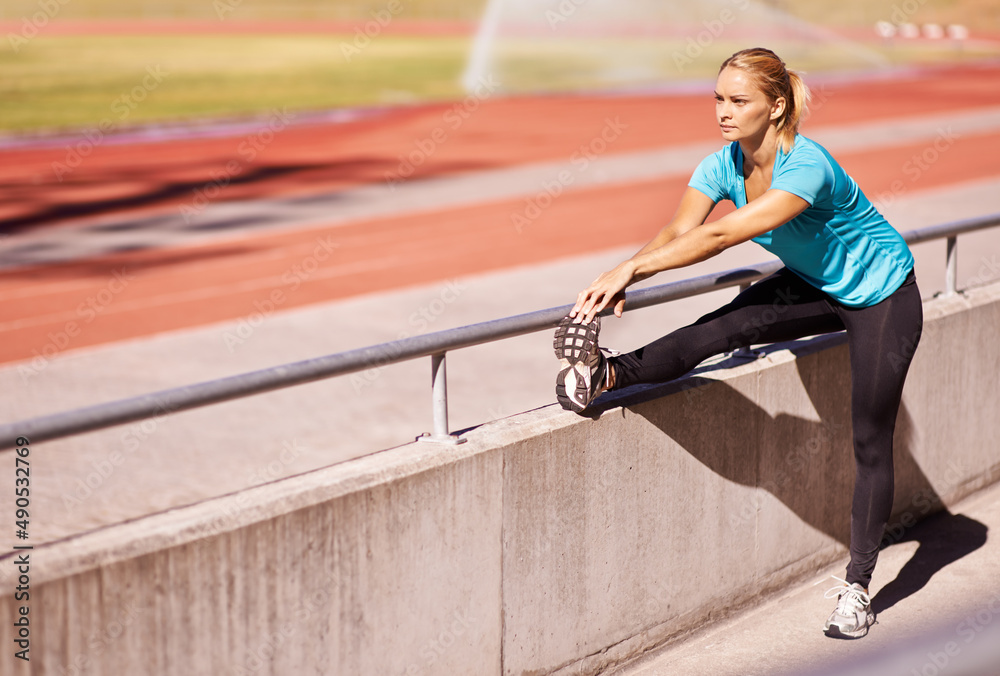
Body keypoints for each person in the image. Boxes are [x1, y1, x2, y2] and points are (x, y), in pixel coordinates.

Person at [553, 47, 923, 639]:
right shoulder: (722, 164)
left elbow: (723, 233)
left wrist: (632, 273)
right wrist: (630, 264)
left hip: (883, 296)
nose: (723, 112)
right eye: (718, 99)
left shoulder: (808, 166)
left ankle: (858, 586)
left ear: (776, 106)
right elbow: (681, 229)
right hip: (814, 285)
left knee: (869, 437)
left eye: (738, 100)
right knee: (724, 326)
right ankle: (606, 375)